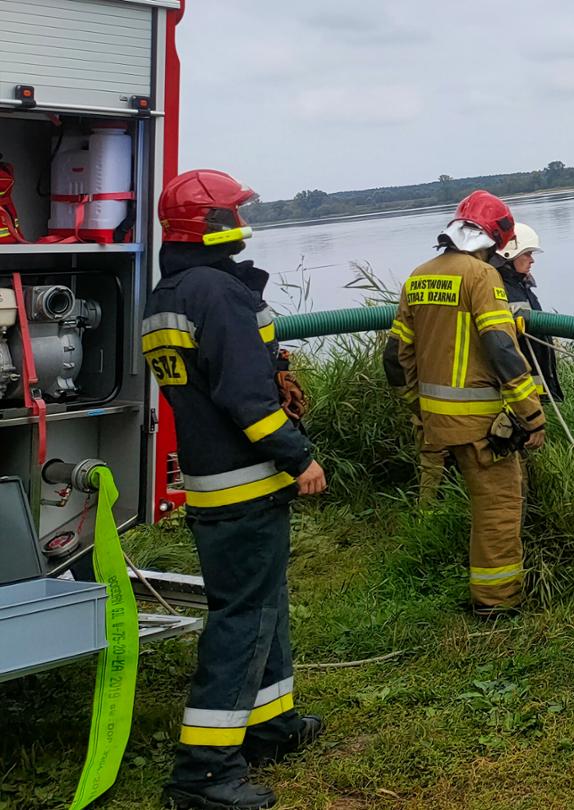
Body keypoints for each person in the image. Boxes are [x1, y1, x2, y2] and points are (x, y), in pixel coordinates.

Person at [145, 169, 327, 810]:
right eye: (233, 213)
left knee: (262, 602)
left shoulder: (169, 292)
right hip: (246, 482)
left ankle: (270, 725)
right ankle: (203, 774)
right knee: (242, 620)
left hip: (211, 481)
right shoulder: (218, 295)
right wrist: (298, 454)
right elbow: (248, 399)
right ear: (215, 225)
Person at [384, 191, 547, 617]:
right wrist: (531, 413)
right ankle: (497, 601)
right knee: (497, 510)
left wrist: (417, 406)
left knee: (476, 505)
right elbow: (501, 348)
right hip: (481, 425)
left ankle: (486, 590)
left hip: (436, 420)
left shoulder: (418, 276)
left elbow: (394, 358)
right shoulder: (480, 277)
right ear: (494, 239)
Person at [493, 223, 564, 402]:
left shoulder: (521, 286)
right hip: (519, 394)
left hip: (532, 390)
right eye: (527, 254)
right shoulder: (500, 289)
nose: (532, 260)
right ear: (509, 254)